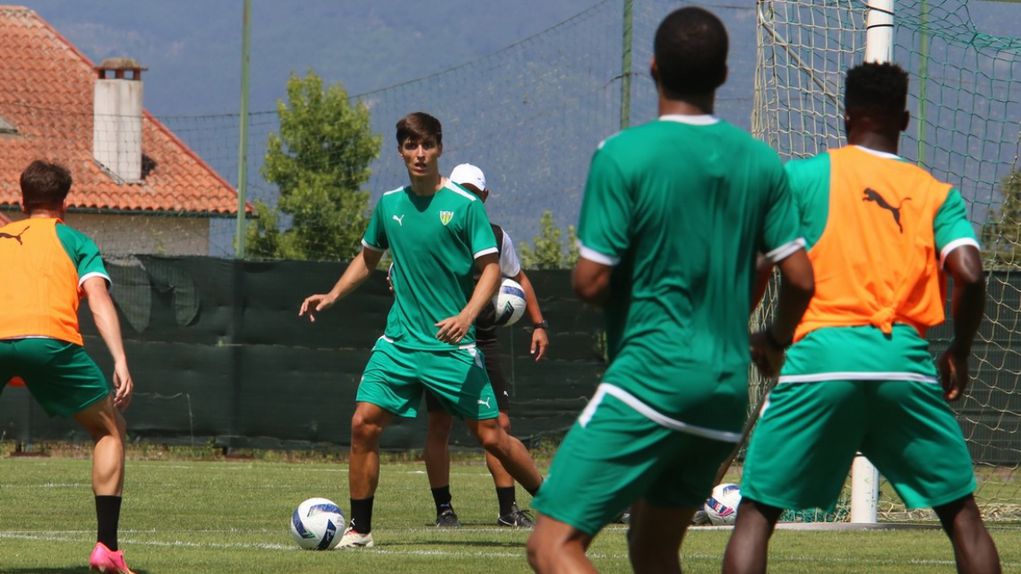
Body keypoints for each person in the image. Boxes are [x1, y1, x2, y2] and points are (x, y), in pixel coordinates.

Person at [525, 7, 815, 573]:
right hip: (724, 393)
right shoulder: (761, 162)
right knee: (654, 552)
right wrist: (774, 339)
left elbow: (589, 282)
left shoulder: (624, 155)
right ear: (724, 74)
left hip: (650, 381)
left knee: (551, 545)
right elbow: (800, 277)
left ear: (653, 68)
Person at [722, 61, 1001, 574]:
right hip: (904, 363)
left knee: (756, 513)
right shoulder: (935, 193)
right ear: (906, 120)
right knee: (963, 516)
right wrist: (959, 350)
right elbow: (971, 272)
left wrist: (745, 332)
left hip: (818, 360)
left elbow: (760, 262)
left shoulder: (802, 178)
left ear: (845, 116)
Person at [299, 112, 544, 549]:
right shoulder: (390, 205)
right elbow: (367, 258)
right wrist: (333, 295)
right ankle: (360, 530)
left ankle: (558, 510)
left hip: (451, 347)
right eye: (410, 146)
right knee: (363, 423)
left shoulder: (466, 207)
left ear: (439, 149)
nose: (419, 154)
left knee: (493, 437)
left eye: (426, 145)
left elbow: (491, 270)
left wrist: (467, 316)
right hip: (398, 344)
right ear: (400, 150)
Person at [0, 160, 136, 574]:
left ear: (22, 200)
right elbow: (97, 299)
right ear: (64, 203)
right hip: (50, 342)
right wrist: (120, 360)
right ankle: (106, 550)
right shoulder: (76, 240)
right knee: (109, 429)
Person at [422, 163, 548, 529]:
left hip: (483, 337)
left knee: (499, 426)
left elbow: (519, 277)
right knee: (439, 425)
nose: (467, 198)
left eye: (474, 193)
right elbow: (402, 272)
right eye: (461, 190)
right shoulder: (432, 226)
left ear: (484, 197)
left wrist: (538, 324)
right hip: (443, 337)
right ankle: (444, 510)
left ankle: (508, 510)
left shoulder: (494, 235)